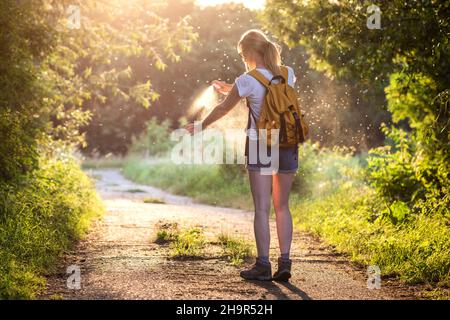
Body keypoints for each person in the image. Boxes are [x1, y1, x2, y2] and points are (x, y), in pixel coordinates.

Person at [185, 29, 298, 281]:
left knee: (261, 208)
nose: (242, 59)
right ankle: (285, 262)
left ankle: (263, 265)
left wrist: (201, 125)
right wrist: (233, 87)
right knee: (282, 206)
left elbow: (225, 108)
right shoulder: (289, 73)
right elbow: (267, 88)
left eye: (242, 54)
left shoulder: (246, 80)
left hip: (261, 145)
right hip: (288, 142)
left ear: (248, 52)